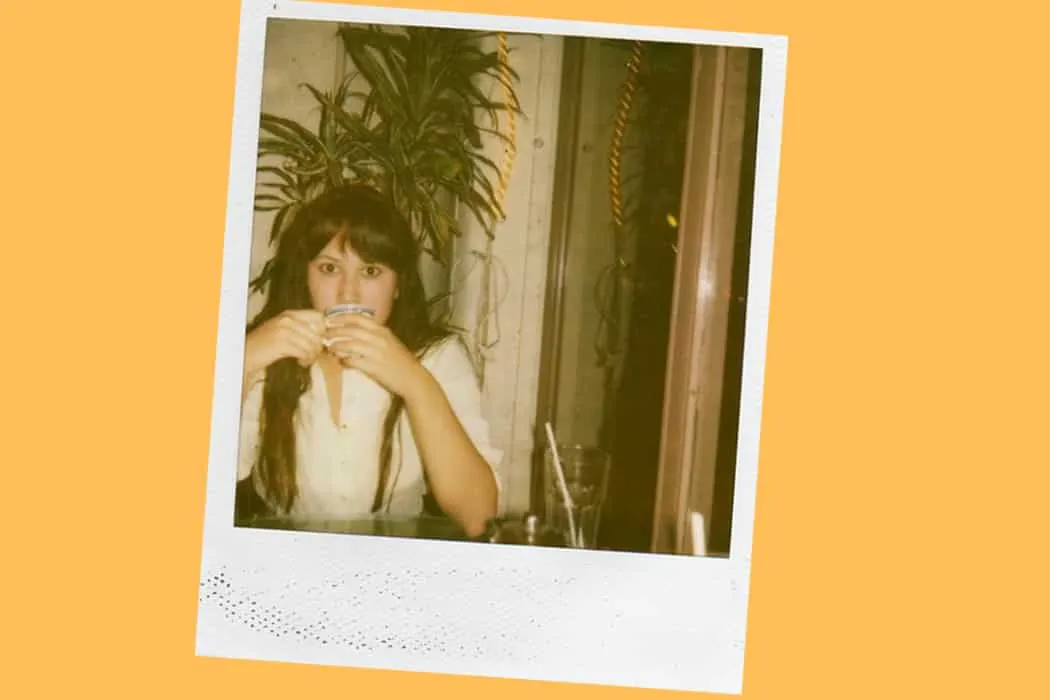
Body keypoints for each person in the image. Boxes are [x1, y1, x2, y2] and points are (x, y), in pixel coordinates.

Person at [234, 183, 502, 538]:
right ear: (306, 276)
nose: (348, 292)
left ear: (399, 284)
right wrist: (244, 360)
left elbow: (478, 516)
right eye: (329, 268)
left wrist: (414, 382)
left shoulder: (436, 356)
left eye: (371, 271)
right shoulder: (271, 346)